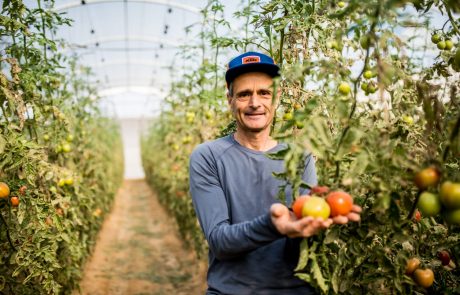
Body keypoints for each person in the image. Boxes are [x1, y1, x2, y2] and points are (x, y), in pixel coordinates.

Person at [189, 51, 361, 295]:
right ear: (230, 100)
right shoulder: (208, 156)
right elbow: (220, 241)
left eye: (264, 93)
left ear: (276, 98)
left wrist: (326, 220)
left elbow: (305, 229)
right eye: (244, 94)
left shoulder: (299, 157)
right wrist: (274, 226)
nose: (255, 103)